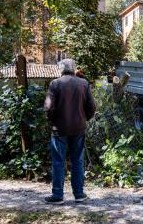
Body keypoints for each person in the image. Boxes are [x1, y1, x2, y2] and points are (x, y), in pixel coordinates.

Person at [44, 59, 96, 204]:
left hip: (59, 129)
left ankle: (57, 196)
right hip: (78, 128)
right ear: (74, 69)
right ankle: (79, 194)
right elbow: (91, 106)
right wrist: (84, 118)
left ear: (61, 69)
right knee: (78, 160)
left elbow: (48, 108)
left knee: (58, 162)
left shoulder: (55, 84)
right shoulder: (83, 83)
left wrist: (53, 120)